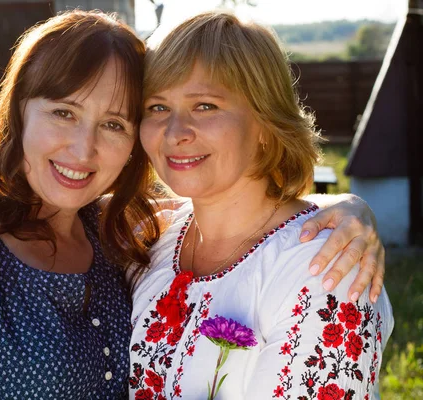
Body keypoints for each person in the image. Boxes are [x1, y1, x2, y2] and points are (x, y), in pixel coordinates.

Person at [0, 10, 383, 400]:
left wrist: (342, 206)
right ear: (18, 113)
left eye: (116, 123)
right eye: (157, 108)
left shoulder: (327, 263)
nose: (83, 150)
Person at [128, 11, 393, 400]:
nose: (175, 132)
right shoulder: (155, 240)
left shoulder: (327, 266)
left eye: (205, 105)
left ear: (266, 124)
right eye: (157, 107)